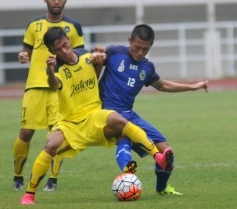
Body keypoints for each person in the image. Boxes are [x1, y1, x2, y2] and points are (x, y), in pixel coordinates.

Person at [19, 27, 173, 205]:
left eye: (64, 45)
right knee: (50, 145)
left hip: (94, 115)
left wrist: (99, 58)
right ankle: (29, 193)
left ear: (68, 39)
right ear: (52, 52)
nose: (63, 51)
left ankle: (158, 157)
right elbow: (53, 86)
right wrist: (50, 71)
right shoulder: (57, 68)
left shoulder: (86, 56)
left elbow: (98, 66)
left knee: (120, 121)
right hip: (70, 123)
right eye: (57, 50)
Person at [97, 24, 209, 196]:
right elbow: (90, 62)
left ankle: (162, 188)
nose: (140, 52)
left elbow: (163, 85)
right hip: (106, 112)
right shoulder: (114, 52)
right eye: (137, 47)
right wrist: (94, 55)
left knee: (167, 152)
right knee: (123, 133)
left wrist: (192, 87)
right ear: (130, 40)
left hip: (128, 114)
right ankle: (128, 177)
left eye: (145, 49)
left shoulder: (147, 68)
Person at [13, 0, 85, 192]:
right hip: (35, 86)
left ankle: (52, 180)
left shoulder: (73, 27)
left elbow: (78, 56)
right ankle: (18, 176)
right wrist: (23, 56)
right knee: (25, 133)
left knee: (58, 133)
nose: (56, 1)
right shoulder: (33, 25)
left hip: (59, 88)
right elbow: (25, 51)